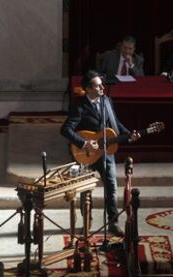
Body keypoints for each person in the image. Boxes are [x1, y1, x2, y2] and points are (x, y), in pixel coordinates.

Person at [61, 70, 141, 236]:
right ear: (89, 89)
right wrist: (84, 143)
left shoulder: (106, 100)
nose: (102, 88)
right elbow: (66, 129)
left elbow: (115, 122)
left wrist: (128, 133)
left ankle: (113, 223)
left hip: (106, 153)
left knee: (111, 187)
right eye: (98, 86)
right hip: (87, 155)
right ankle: (87, 224)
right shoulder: (80, 106)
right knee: (85, 191)